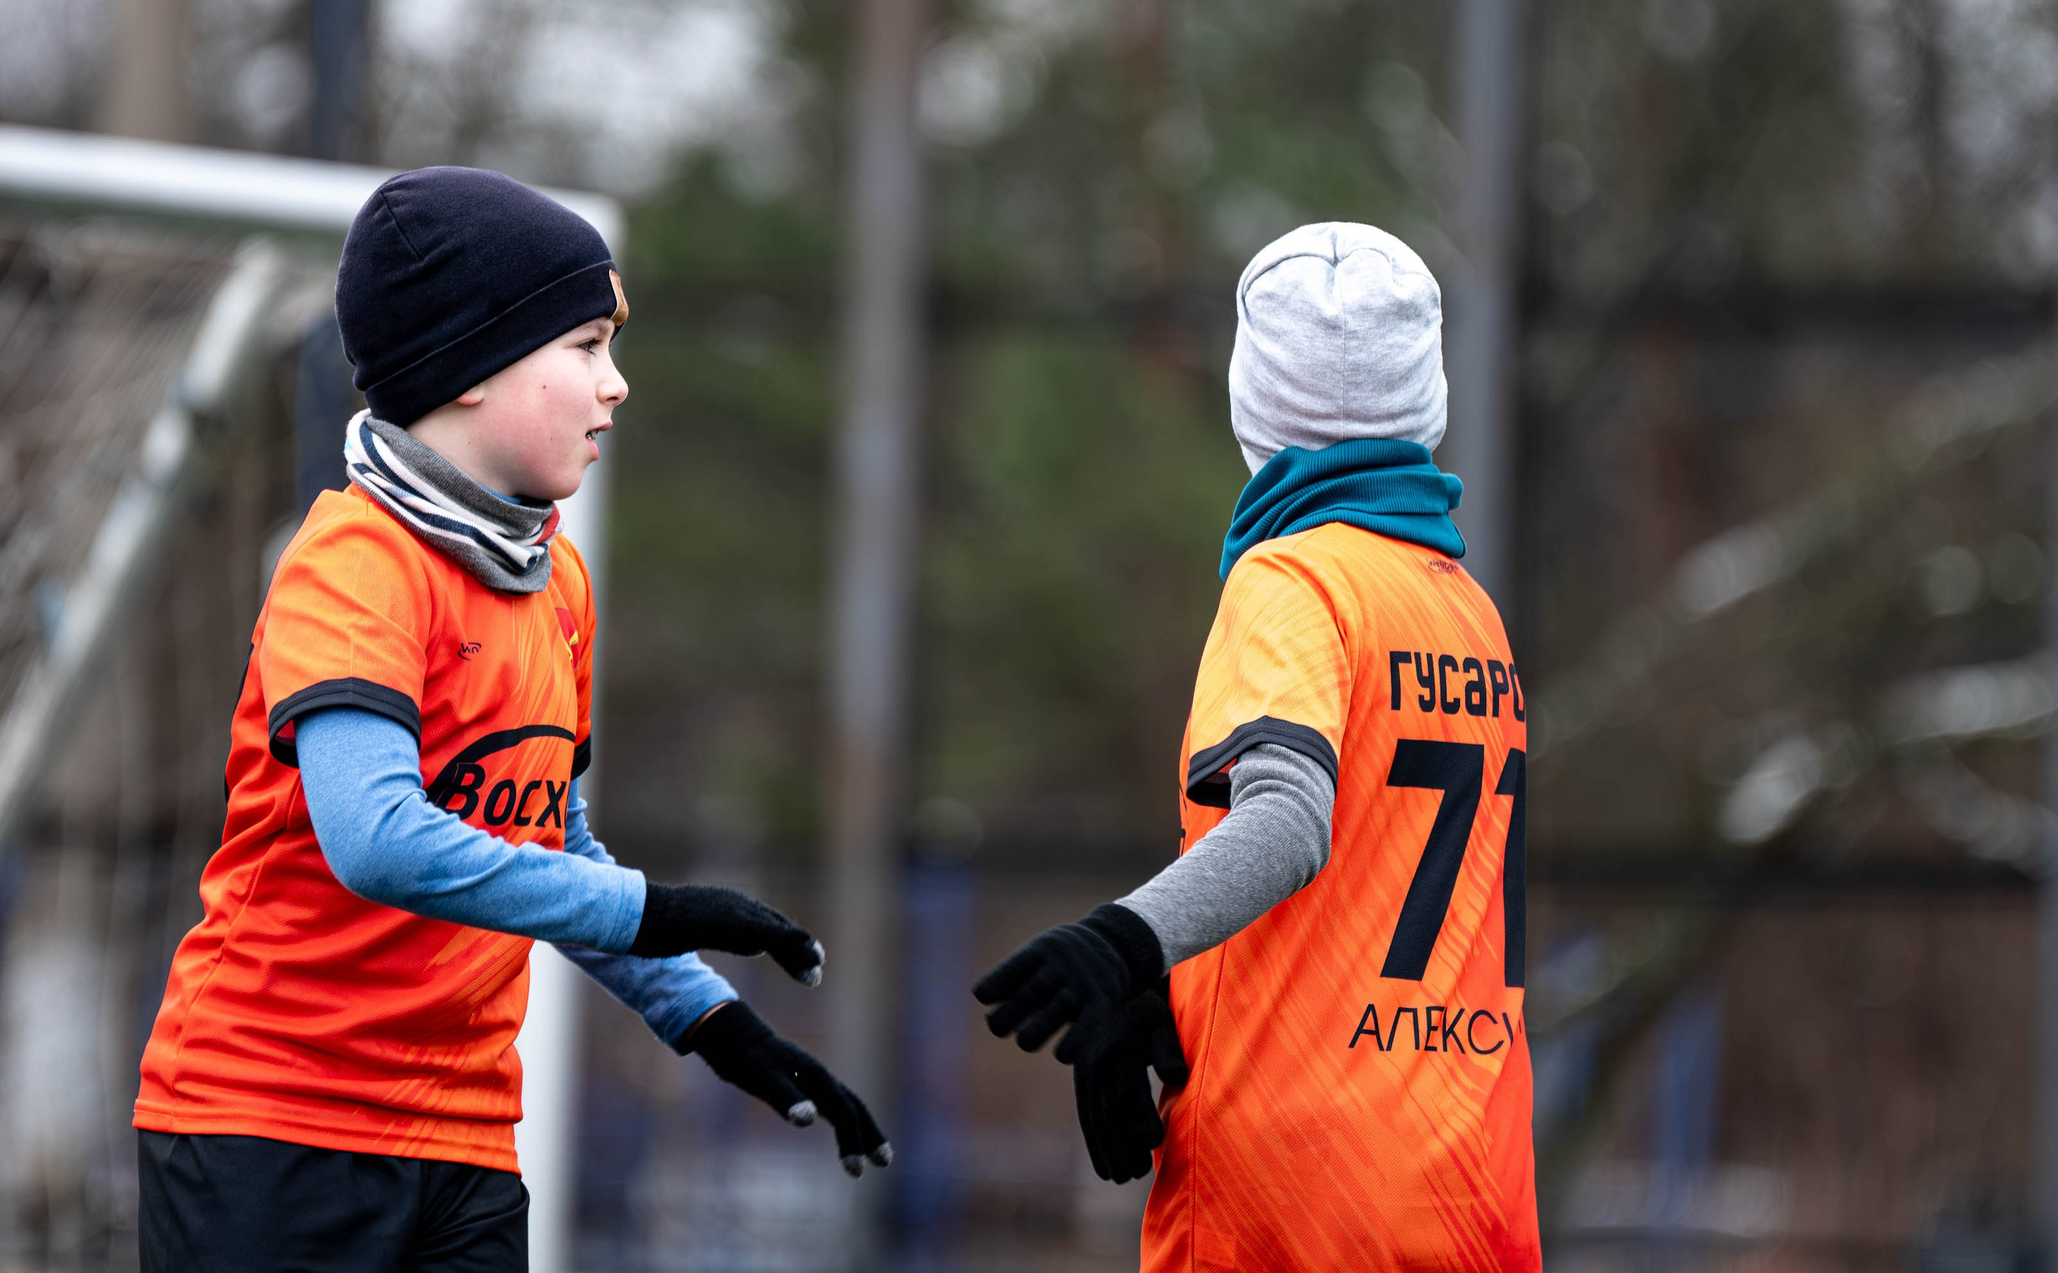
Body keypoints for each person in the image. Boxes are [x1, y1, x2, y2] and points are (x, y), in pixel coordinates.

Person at [136, 167, 888, 1273]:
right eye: (586, 345)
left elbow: (552, 844)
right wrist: (653, 908)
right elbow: (376, 837)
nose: (616, 384)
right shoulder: (353, 564)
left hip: (468, 1138)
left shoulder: (557, 582)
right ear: (472, 368)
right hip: (270, 1125)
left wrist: (713, 1020)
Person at [973, 222, 1538, 1272]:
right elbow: (1371, 902)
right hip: (1467, 1180)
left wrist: (1119, 942)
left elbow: (1287, 820)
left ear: (1254, 399)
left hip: (1297, 1198)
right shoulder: (1465, 609)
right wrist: (1175, 991)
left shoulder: (1293, 580)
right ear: (1426, 392)